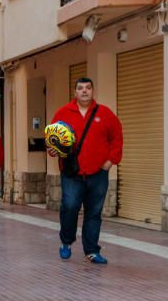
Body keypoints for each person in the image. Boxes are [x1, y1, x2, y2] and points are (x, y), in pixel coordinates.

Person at [51, 77, 123, 264]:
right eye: (81, 88)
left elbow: (116, 138)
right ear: (75, 92)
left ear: (92, 91)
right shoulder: (62, 113)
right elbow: (52, 139)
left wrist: (110, 161)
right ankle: (66, 242)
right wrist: (52, 149)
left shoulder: (105, 113)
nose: (84, 91)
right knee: (70, 207)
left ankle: (91, 250)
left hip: (98, 173)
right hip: (72, 172)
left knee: (94, 212)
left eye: (88, 88)